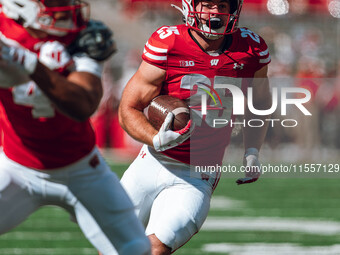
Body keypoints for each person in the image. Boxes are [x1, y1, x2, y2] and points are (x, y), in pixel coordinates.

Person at [118, 0, 272, 253]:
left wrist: (252, 150)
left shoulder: (251, 48)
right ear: (191, 6)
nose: (215, 12)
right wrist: (155, 138)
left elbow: (260, 101)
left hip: (197, 174)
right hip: (151, 162)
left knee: (155, 249)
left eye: (221, 4)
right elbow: (128, 108)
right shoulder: (169, 42)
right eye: (208, 4)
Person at [0, 0, 151, 254]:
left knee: (135, 249)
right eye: (56, 2)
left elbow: (83, 105)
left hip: (82, 169)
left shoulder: (81, 35)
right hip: (17, 167)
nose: (67, 6)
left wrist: (29, 63)